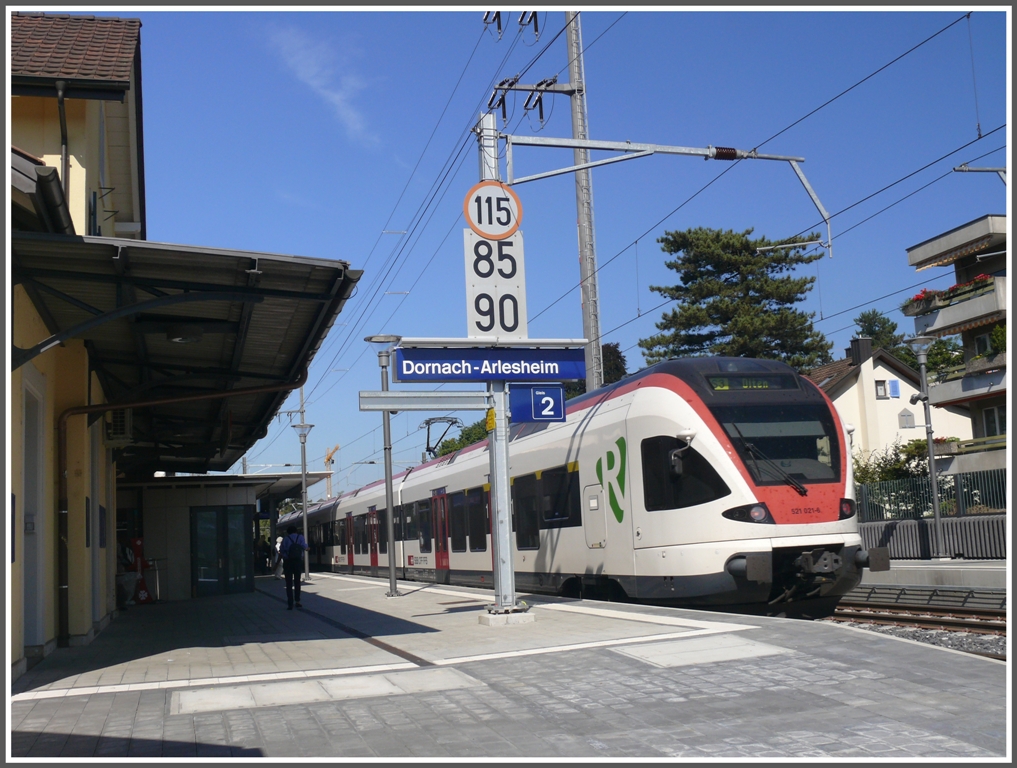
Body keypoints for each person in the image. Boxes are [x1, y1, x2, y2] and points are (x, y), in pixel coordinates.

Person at [279, 525, 307, 610]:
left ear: (288, 532)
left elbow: (282, 550)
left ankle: (290, 603)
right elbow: (305, 547)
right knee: (297, 581)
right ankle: (297, 601)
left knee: (289, 583)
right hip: (297, 562)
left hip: (288, 562)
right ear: (296, 531)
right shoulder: (300, 537)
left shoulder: (286, 539)